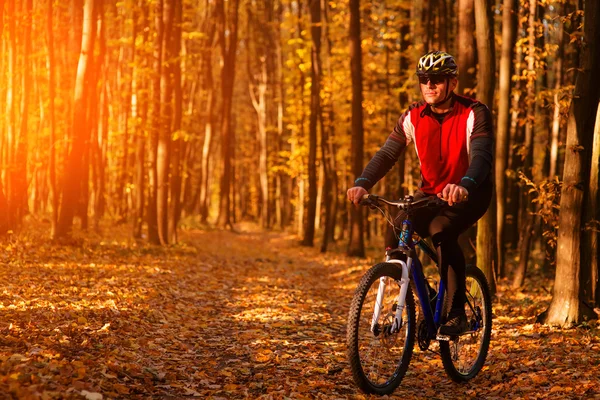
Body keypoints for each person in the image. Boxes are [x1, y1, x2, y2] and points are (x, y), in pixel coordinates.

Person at [346, 50, 494, 335]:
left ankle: (456, 312)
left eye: (436, 79)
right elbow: (388, 153)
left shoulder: (474, 112)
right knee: (396, 230)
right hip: (430, 193)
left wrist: (464, 185)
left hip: (471, 192)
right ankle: (428, 296)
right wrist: (363, 182)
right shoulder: (413, 116)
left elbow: (482, 158)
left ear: (452, 82)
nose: (429, 84)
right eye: (424, 79)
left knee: (441, 229)